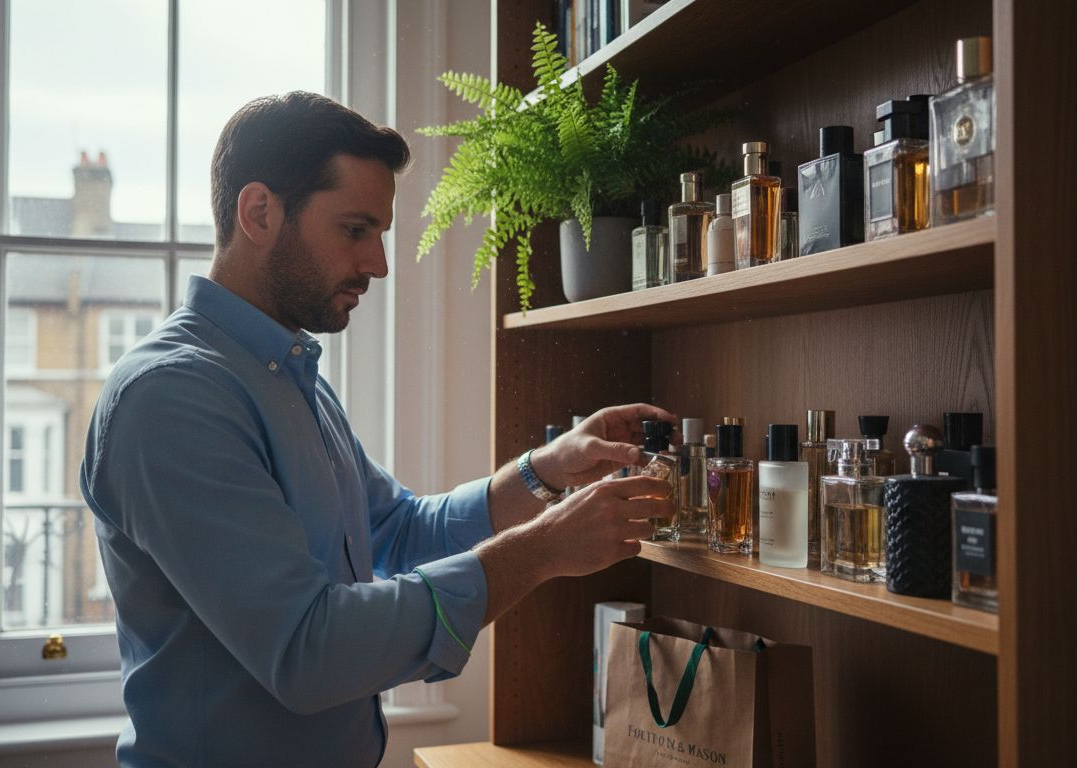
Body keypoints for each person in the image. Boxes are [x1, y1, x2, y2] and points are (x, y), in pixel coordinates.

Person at [79, 91, 674, 767]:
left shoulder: (292, 377)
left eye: (380, 234)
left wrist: (544, 471)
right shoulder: (172, 397)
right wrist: (539, 551)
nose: (378, 264)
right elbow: (308, 651)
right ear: (259, 213)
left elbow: (397, 532)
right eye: (356, 230)